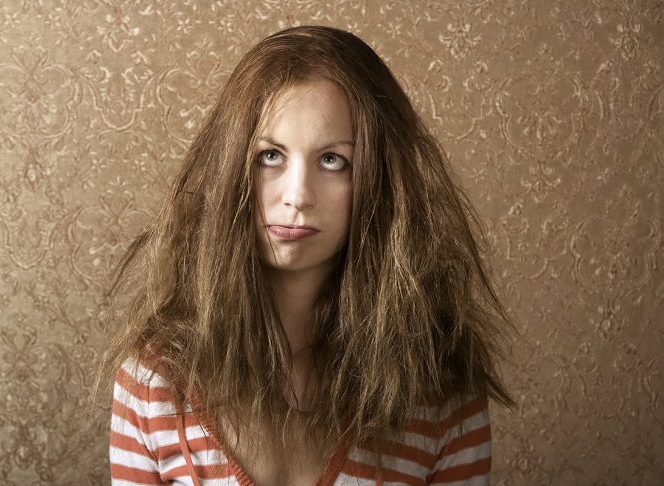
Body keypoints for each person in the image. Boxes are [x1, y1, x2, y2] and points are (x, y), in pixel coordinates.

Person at [102, 25, 513, 485]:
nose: (297, 195)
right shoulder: (155, 382)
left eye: (333, 160)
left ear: (379, 181)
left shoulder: (441, 394)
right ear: (231, 168)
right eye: (270, 156)